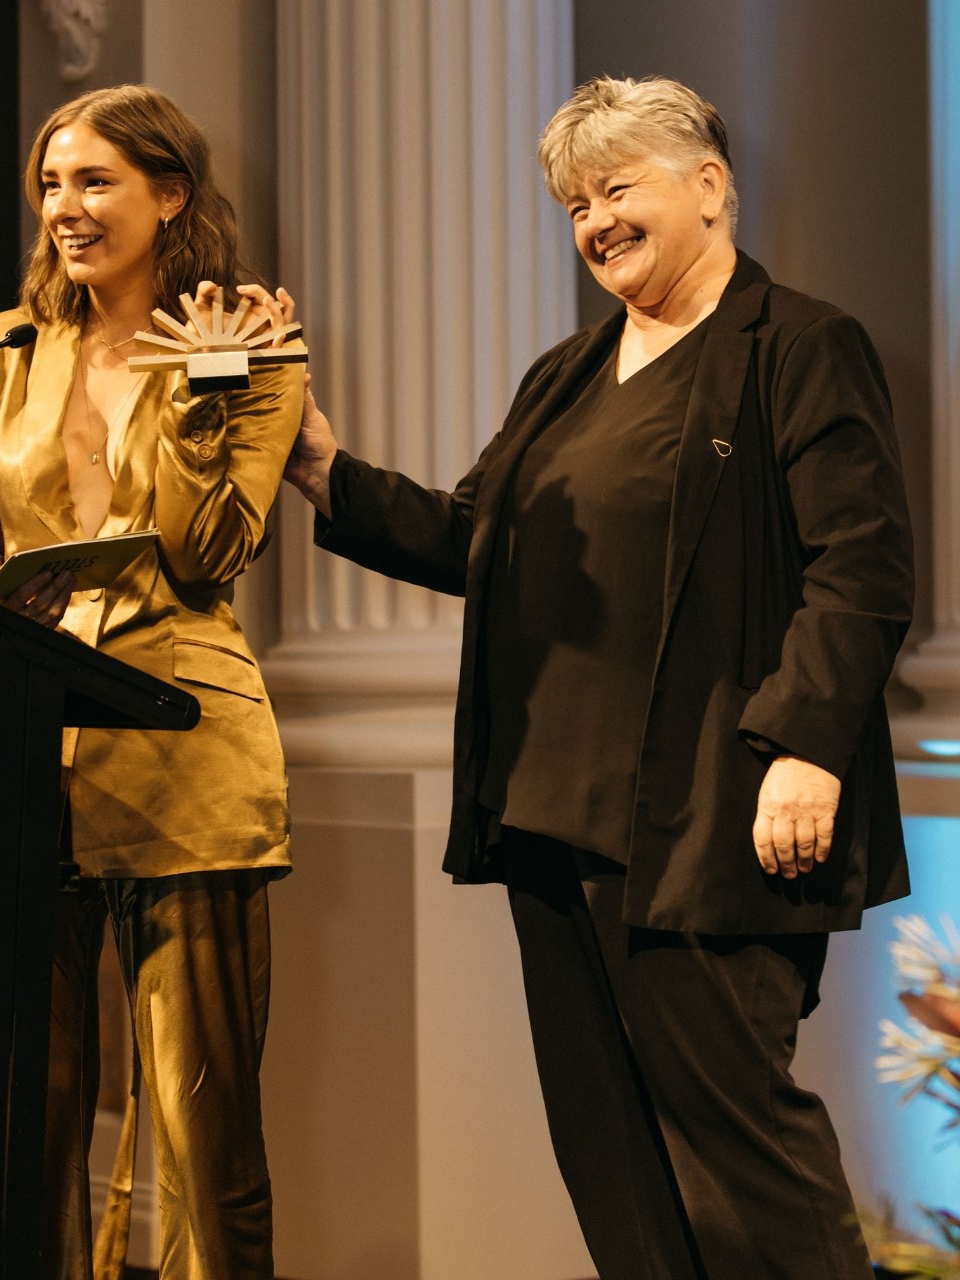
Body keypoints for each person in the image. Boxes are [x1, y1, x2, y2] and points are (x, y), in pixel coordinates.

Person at [284, 75, 913, 1279]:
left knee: (744, 1152)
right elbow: (480, 536)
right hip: (549, 815)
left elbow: (864, 569)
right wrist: (323, 466)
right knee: (612, 1155)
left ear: (711, 186)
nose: (594, 222)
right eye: (576, 203)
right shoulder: (564, 375)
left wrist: (808, 745)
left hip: (716, 813)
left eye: (617, 188)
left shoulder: (801, 346)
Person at [0, 84, 303, 1280]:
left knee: (202, 1132)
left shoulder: (256, 348)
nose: (65, 209)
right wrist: (21, 605)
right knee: (24, 1119)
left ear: (170, 194)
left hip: (185, 752)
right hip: (34, 749)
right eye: (52, 183)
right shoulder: (2, 347)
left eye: (95, 182)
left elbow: (207, 552)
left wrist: (204, 383)